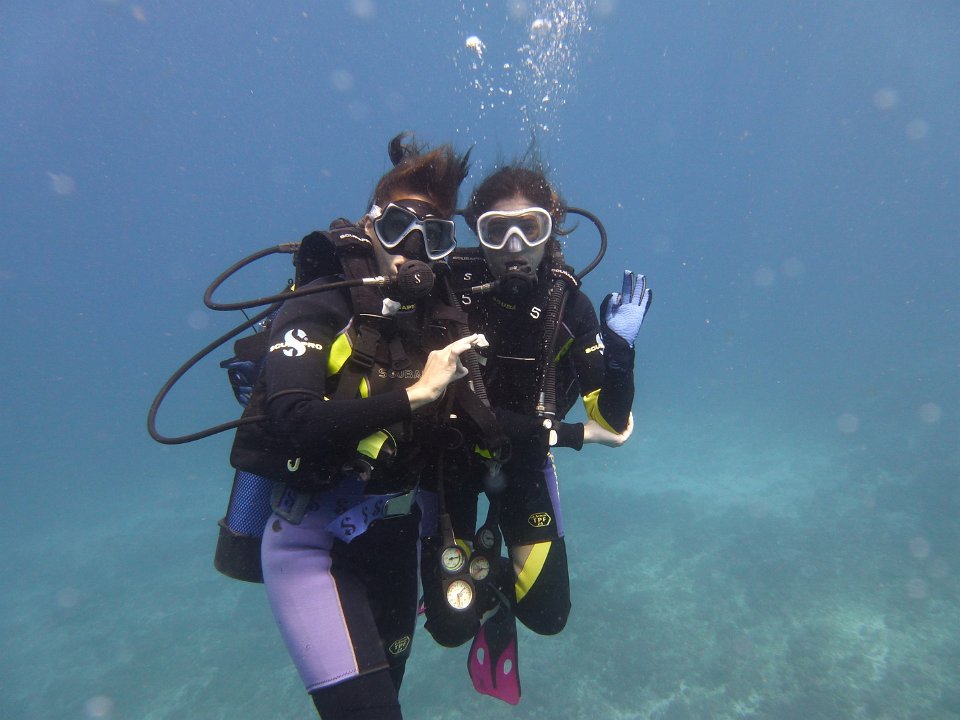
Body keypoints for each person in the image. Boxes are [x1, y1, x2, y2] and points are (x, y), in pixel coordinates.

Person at [228, 134, 476, 720]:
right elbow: (294, 419)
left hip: (395, 541)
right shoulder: (321, 302)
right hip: (310, 542)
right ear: (370, 227)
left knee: (389, 695)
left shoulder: (441, 320)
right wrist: (416, 395)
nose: (412, 249)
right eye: (397, 227)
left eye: (433, 236)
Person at [418, 161, 652, 703]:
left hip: (523, 466)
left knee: (549, 617)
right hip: (449, 462)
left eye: (531, 227)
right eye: (496, 231)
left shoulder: (570, 306)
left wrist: (620, 356)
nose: (515, 246)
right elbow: (443, 406)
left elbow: (611, 420)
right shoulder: (448, 288)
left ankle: (491, 580)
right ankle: (472, 577)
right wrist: (568, 435)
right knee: (449, 629)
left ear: (552, 231)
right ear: (477, 233)